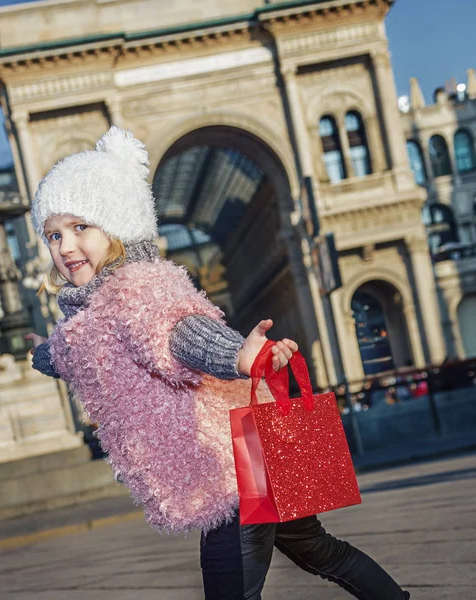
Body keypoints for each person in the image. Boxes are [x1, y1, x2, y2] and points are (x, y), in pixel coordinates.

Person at [26, 127, 410, 600]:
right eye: (54, 235)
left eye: (81, 227)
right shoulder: (91, 314)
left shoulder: (138, 291)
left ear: (118, 226)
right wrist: (39, 351)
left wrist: (234, 355)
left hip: (232, 466)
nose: (65, 247)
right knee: (321, 552)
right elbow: (68, 353)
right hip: (255, 451)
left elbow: (180, 333)